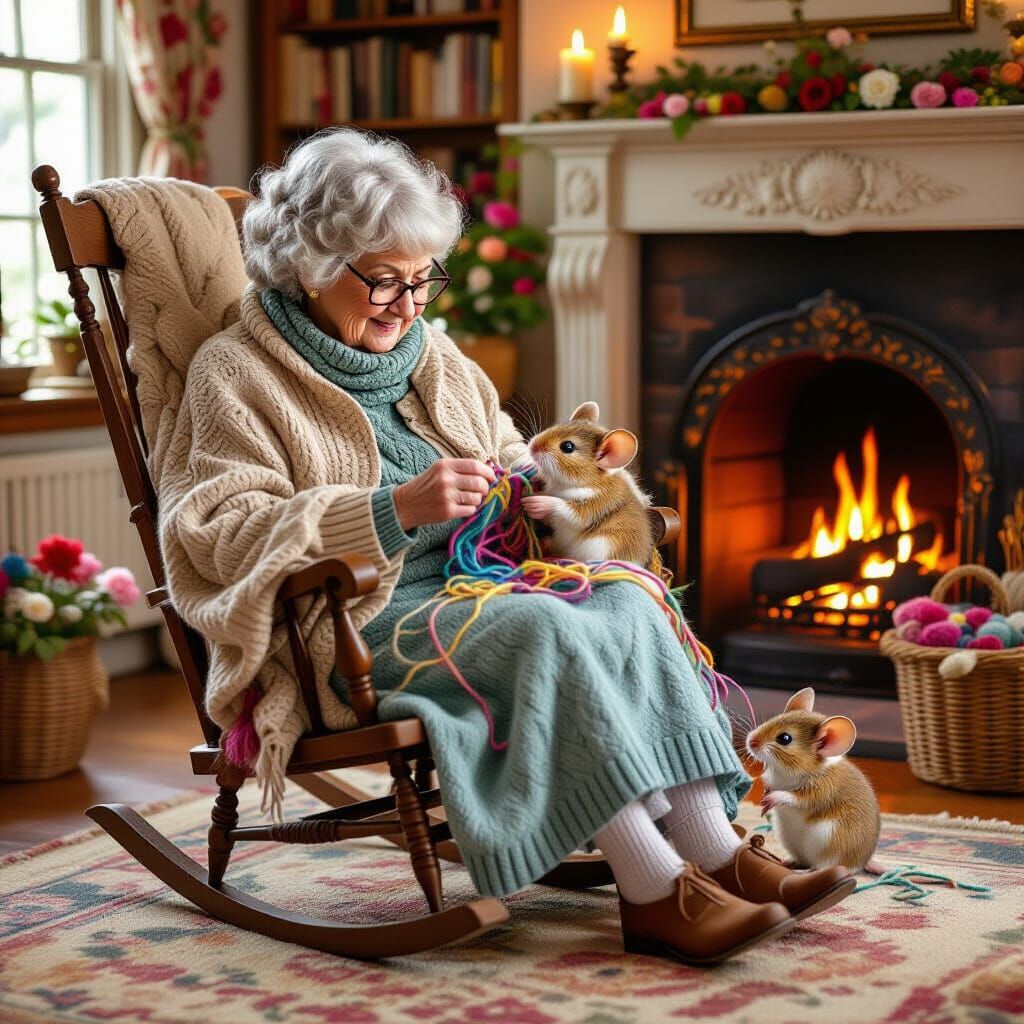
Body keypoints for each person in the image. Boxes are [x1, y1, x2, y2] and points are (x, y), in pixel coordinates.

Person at [164, 128, 853, 966]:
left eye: (422, 279)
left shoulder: (436, 357)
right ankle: (653, 891)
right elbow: (216, 534)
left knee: (628, 596)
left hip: (478, 586)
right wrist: (393, 508)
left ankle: (716, 853)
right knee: (546, 630)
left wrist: (530, 493)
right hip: (361, 623)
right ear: (309, 261)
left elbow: (511, 462)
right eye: (382, 280)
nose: (407, 303)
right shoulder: (234, 373)